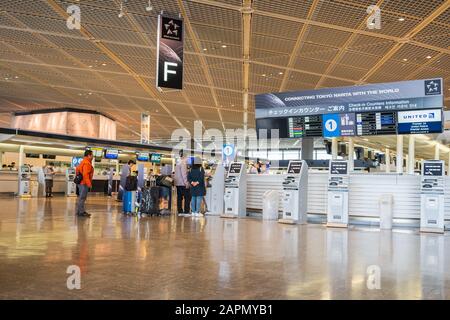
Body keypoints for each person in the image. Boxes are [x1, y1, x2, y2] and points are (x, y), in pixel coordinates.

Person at [76, 150, 94, 218]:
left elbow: (77, 170)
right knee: (82, 198)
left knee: (81, 198)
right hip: (84, 183)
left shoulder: (83, 161)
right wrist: (89, 184)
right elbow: (85, 174)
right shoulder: (87, 163)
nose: (93, 156)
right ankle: (81, 212)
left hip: (81, 182)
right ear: (89, 155)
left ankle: (80, 211)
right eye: (92, 155)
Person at [174, 151, 190, 215]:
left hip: (178, 183)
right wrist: (186, 183)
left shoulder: (178, 162)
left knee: (179, 198)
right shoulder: (183, 163)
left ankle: (180, 211)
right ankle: (186, 211)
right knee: (187, 197)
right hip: (183, 183)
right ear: (184, 156)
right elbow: (184, 174)